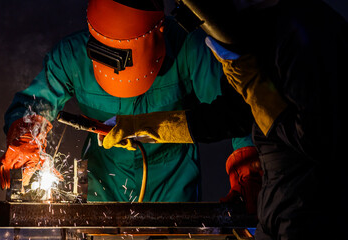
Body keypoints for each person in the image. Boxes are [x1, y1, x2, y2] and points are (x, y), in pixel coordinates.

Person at [104, 0, 347, 238]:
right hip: (277, 208)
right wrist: (143, 126)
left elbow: (318, 140)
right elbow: (232, 115)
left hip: (315, 214)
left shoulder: (305, 30)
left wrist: (253, 85)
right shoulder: (261, 31)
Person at [0, 0, 256, 202]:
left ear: (159, 31)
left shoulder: (189, 46)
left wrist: (249, 168)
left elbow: (237, 111)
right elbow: (34, 103)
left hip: (172, 185)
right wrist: (26, 135)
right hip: (103, 185)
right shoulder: (71, 57)